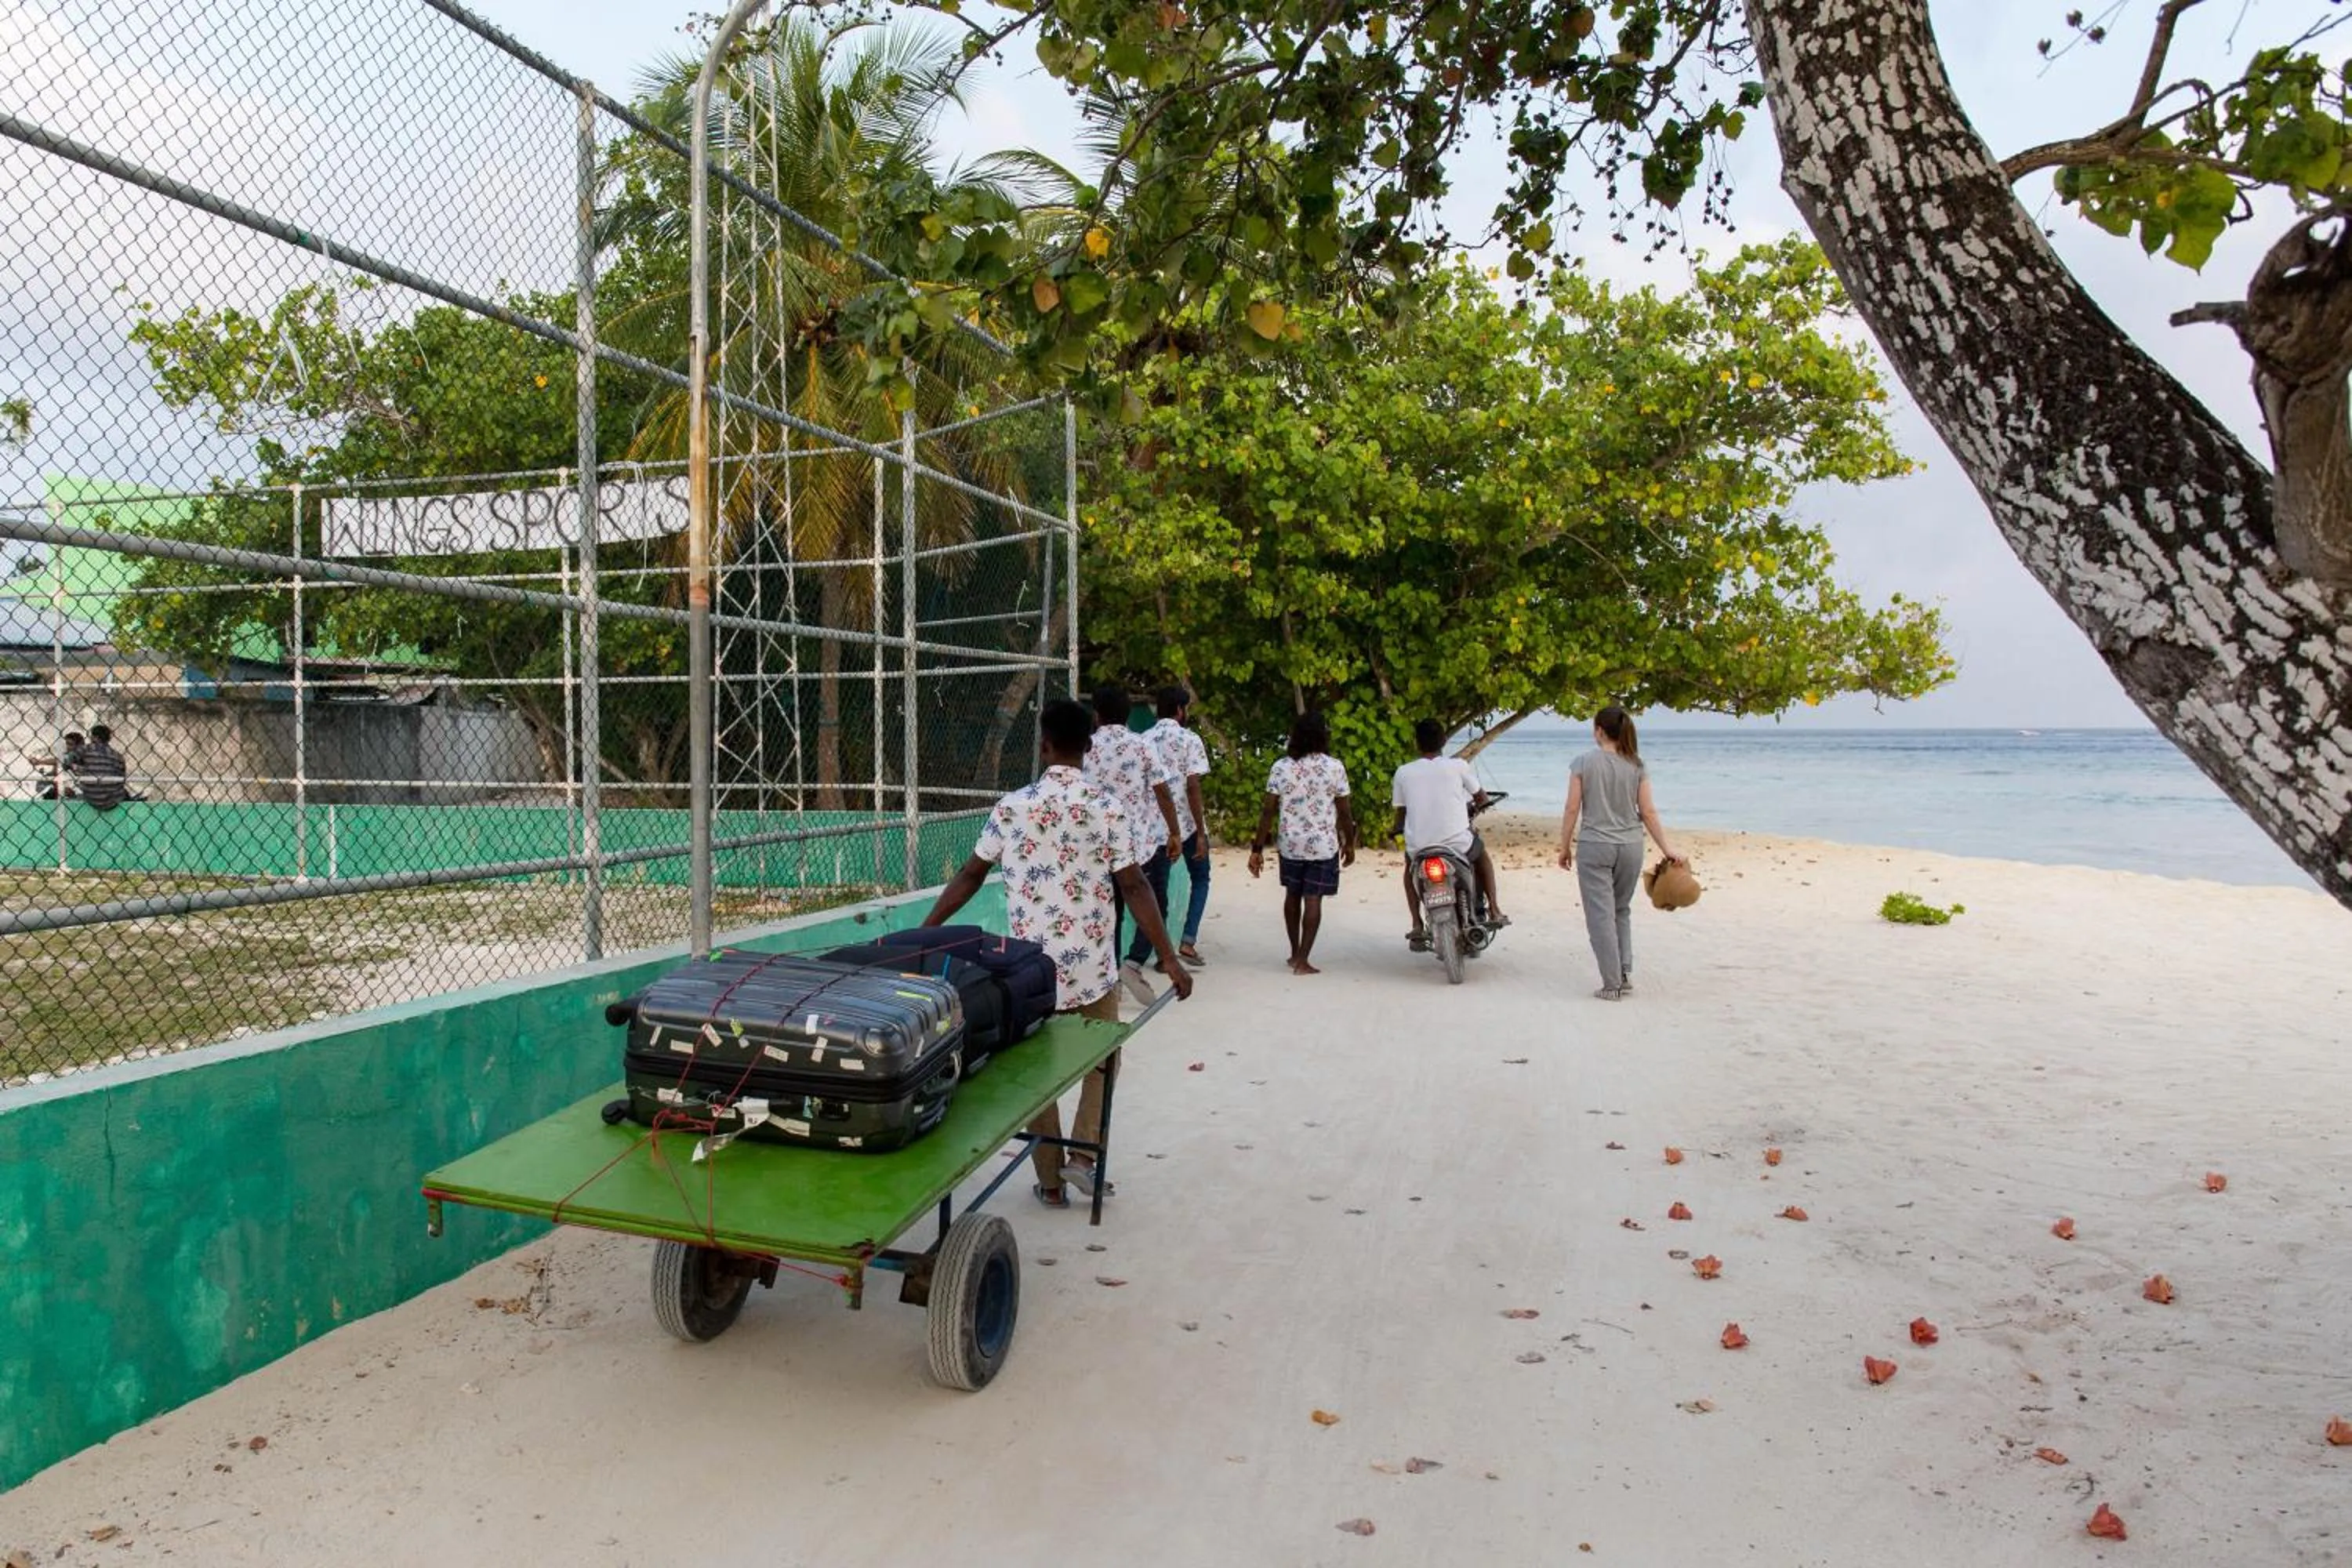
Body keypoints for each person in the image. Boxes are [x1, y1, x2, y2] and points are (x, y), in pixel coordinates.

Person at [923, 697, 1192, 1209]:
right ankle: (1084, 1160)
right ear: (1088, 748)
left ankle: (1049, 1180)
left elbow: (970, 876)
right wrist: (1170, 959)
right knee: (1103, 1062)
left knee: (1035, 1074)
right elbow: (1134, 886)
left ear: (1043, 744)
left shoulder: (1012, 807)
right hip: (1092, 967)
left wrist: (923, 931)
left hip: (1029, 974)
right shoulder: (1106, 808)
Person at [1556, 705, 1685, 1000]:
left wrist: (1564, 846)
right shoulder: (1636, 765)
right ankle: (1624, 973)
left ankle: (1611, 984)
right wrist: (1667, 849)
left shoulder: (1583, 763)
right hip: (1630, 847)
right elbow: (1649, 812)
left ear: (1599, 731)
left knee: (1600, 916)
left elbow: (1572, 808)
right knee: (1620, 910)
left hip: (1595, 846)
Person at [1083, 684, 1182, 1000]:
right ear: (1127, 714)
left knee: (1109, 915)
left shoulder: (1085, 749)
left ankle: (1110, 979)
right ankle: (1133, 962)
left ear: (1096, 715)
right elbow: (1162, 792)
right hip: (1138, 846)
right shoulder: (1141, 746)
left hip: (1096, 849)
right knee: (1152, 906)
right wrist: (1175, 832)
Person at [1247, 710, 1356, 975]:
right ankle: (1304, 960)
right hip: (1323, 845)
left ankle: (1294, 952)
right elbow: (1344, 812)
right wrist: (1349, 843)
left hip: (1290, 844)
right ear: (1323, 736)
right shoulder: (1334, 767)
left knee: (1292, 895)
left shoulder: (1281, 767)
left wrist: (1257, 849)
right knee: (1313, 899)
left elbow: (1268, 811)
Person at [1390, 718, 1508, 950]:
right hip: (1457, 844)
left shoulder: (1403, 772)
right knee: (1481, 854)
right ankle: (1494, 908)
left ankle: (1416, 923)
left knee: (1408, 868)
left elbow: (1401, 813)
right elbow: (1481, 798)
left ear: (1417, 743)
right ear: (1444, 741)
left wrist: (1395, 831)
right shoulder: (1458, 765)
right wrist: (1475, 807)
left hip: (1420, 847)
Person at [1129, 684, 1213, 972]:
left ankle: (1162, 955)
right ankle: (1188, 940)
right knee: (1201, 878)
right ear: (1181, 710)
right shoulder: (1190, 739)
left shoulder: (1143, 740)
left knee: (1157, 891)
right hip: (1186, 825)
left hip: (1155, 828)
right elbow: (1193, 787)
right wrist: (1200, 833)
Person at [74, 724, 129, 812]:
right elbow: (122, 777)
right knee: (126, 793)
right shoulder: (118, 755)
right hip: (113, 799)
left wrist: (77, 767)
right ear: (108, 739)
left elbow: (67, 761)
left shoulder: (86, 749)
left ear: (94, 737)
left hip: (91, 796)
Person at [30, 731, 85, 800]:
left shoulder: (81, 757)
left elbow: (60, 761)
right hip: (64, 788)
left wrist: (39, 762)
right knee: (43, 783)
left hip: (79, 791)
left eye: (70, 744)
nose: (66, 746)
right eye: (65, 744)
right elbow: (56, 770)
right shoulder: (64, 755)